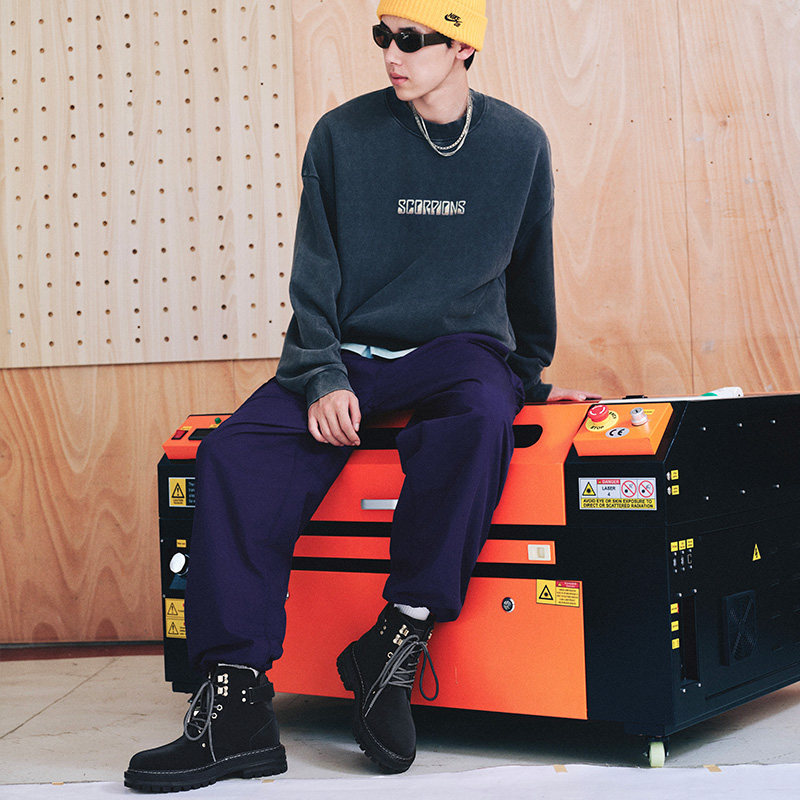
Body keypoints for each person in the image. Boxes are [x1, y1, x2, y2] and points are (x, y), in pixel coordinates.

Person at [125, 0, 598, 792]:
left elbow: (529, 276)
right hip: (346, 349)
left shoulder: (519, 145)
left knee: (483, 416)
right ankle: (236, 705)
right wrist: (321, 374)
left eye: (411, 39)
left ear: (462, 46)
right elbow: (314, 274)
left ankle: (396, 639)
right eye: (384, 35)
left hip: (457, 351)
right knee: (235, 454)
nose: (391, 54)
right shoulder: (343, 136)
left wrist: (529, 382)